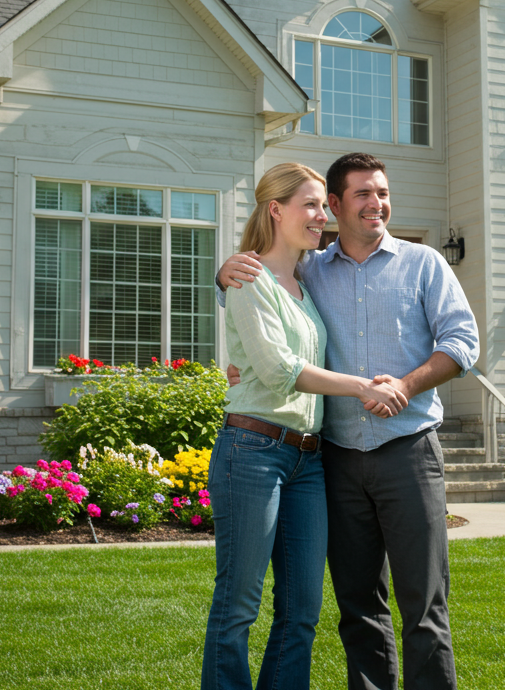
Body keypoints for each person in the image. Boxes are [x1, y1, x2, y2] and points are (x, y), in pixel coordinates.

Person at [218, 152, 480, 690]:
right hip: (334, 459)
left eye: (382, 193)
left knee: (424, 605)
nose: (376, 203)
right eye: (362, 194)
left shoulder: (423, 263)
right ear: (335, 206)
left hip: (407, 450)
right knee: (358, 606)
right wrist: (222, 274)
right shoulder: (309, 266)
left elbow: (463, 343)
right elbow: (260, 283)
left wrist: (405, 386)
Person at [202, 161, 409, 690]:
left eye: (324, 205)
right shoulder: (250, 278)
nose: (323, 216)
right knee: (239, 604)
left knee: (301, 611)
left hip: (307, 460)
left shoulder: (305, 279)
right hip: (251, 451)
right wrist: (362, 386)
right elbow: (277, 370)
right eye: (312, 205)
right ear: (276, 210)